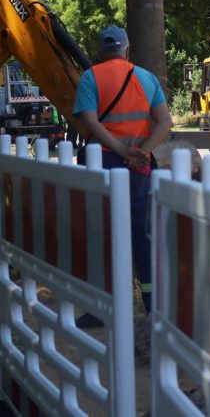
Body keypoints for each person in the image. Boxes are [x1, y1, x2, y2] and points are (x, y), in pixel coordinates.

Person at [73, 25, 172, 324]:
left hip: (103, 163)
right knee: (142, 233)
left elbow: (90, 121)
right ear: (127, 50)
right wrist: (142, 151)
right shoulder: (146, 78)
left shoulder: (91, 77)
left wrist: (118, 148)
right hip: (139, 168)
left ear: (101, 52)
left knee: (102, 234)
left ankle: (101, 308)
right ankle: (154, 305)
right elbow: (164, 121)